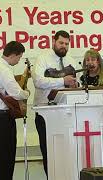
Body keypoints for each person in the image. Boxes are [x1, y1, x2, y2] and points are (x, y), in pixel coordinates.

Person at [32, 30, 81, 175]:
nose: (63, 46)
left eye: (66, 44)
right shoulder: (42, 59)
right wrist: (62, 81)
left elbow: (77, 82)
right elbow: (38, 81)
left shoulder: (71, 61)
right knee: (49, 152)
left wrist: (75, 84)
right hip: (45, 113)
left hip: (67, 113)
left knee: (67, 152)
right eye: (61, 43)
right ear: (53, 42)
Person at [0, 41, 30, 180]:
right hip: (3, 120)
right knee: (7, 159)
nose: (19, 60)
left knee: (0, 159)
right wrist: (27, 93)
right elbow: (15, 93)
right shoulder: (4, 69)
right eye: (19, 57)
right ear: (14, 55)